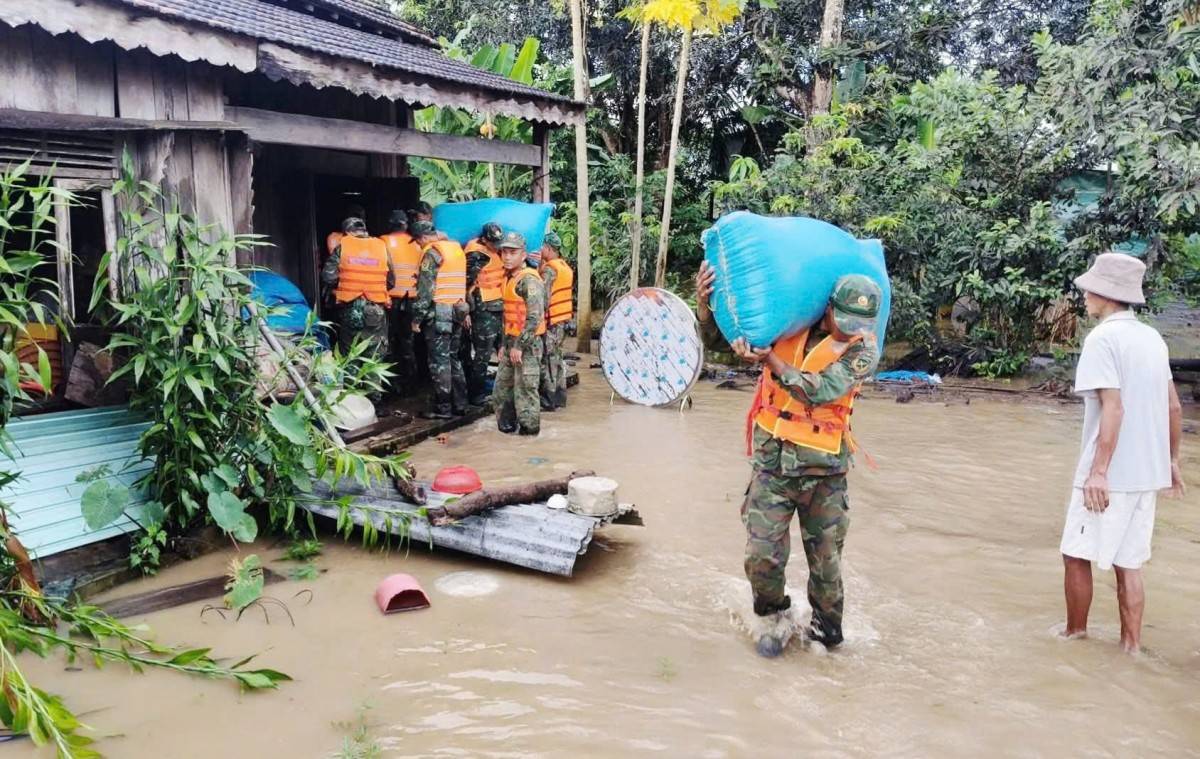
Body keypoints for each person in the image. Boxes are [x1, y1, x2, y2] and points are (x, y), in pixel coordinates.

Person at [696, 260, 881, 658]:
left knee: (827, 567)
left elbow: (820, 389)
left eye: (857, 324)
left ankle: (827, 636)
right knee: (761, 557)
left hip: (825, 473)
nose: (848, 330)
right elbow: (719, 346)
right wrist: (706, 307)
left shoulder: (864, 349)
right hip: (773, 466)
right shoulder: (784, 323)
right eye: (842, 320)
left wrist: (771, 361)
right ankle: (775, 616)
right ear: (827, 308)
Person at [1059, 252, 1185, 654]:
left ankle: (1074, 634)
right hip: (1147, 472)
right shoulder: (1152, 338)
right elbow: (1173, 406)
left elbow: (1113, 407)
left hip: (1110, 473)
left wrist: (1098, 472)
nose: (1083, 297)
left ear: (1104, 294)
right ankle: (1131, 648)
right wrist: (1172, 460)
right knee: (1129, 563)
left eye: (1087, 291)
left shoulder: (1102, 339)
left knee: (1075, 554)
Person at [411, 220, 468, 419]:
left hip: (439, 313)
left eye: (418, 241)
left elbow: (426, 292)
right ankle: (460, 404)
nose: (419, 245)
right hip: (458, 310)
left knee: (439, 361)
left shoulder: (433, 253)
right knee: (454, 358)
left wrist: (416, 319)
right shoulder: (456, 249)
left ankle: (444, 408)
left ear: (424, 237)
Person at [494, 232, 545, 435]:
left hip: (527, 345)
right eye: (504, 252)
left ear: (523, 255)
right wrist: (503, 345)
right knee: (502, 390)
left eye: (512, 252)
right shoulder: (509, 278)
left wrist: (519, 346)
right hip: (510, 343)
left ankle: (529, 434)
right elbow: (507, 316)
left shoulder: (529, 281)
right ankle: (507, 430)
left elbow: (535, 317)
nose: (507, 256)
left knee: (525, 391)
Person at [320, 216, 392, 361]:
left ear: (347, 232)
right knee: (374, 358)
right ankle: (372, 384)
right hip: (375, 310)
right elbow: (391, 281)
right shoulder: (381, 247)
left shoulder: (343, 247)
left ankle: (351, 384)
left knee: (349, 355)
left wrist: (344, 286)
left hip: (350, 308)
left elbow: (328, 277)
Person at [463, 222, 506, 406]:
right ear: (485, 239)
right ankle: (476, 394)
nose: (496, 245)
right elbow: (465, 281)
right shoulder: (476, 254)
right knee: (483, 353)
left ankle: (499, 388)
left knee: (502, 348)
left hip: (497, 306)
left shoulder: (496, 252)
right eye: (493, 242)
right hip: (483, 308)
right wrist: (465, 310)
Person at [381, 209, 422, 393]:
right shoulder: (417, 244)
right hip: (411, 298)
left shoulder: (384, 241)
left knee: (388, 342)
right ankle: (411, 384)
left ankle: (390, 385)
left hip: (391, 299)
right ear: (406, 225)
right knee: (407, 343)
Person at [538, 231, 573, 411]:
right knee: (558, 358)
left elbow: (544, 297)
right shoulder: (565, 267)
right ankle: (560, 397)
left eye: (542, 246)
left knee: (548, 359)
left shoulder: (550, 269)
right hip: (563, 320)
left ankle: (549, 399)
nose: (540, 249)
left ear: (548, 248)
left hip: (552, 321)